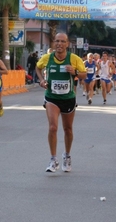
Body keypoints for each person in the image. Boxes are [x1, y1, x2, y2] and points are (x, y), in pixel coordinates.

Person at [36, 33, 86, 173]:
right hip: (52, 97)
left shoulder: (74, 59)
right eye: (57, 41)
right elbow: (38, 67)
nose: (59, 44)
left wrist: (74, 72)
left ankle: (67, 155)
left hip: (68, 98)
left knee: (68, 129)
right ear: (54, 43)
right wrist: (41, 80)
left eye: (62, 41)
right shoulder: (47, 58)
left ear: (67, 44)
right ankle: (53, 159)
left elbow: (84, 74)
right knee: (53, 127)